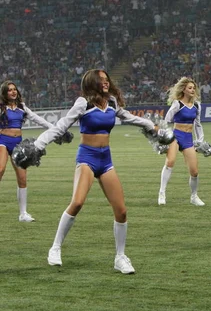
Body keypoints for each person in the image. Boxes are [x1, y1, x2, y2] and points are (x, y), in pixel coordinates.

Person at [34, 69, 160, 274]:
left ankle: (120, 257)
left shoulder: (111, 103)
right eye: (101, 80)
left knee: (122, 210)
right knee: (77, 202)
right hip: (87, 158)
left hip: (106, 160)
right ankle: (55, 247)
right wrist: (39, 144)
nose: (105, 82)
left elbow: (129, 118)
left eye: (107, 79)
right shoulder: (83, 103)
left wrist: (152, 126)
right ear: (92, 82)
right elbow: (61, 127)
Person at [0, 81, 56, 222]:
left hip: (18, 143)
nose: (13, 92)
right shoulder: (1, 108)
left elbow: (37, 119)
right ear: (5, 93)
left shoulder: (21, 107)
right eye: (10, 90)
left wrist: (55, 128)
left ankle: (23, 214)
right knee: (0, 169)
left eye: (15, 89)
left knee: (22, 179)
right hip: (2, 141)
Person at [158, 77, 206, 206]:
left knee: (194, 171)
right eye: (190, 88)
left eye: (193, 88)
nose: (192, 90)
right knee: (170, 162)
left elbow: (198, 124)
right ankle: (162, 192)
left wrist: (200, 140)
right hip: (176, 136)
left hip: (188, 138)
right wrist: (163, 136)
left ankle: (194, 196)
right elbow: (167, 120)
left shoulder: (196, 105)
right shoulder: (177, 104)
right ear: (183, 89)